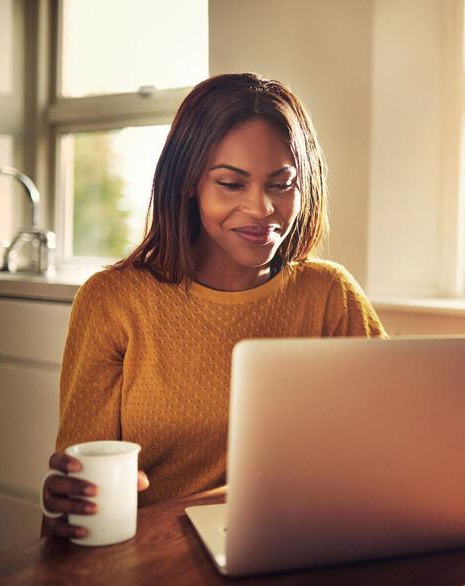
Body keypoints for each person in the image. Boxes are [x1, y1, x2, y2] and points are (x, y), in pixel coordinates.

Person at [41, 73, 386, 540]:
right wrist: (68, 504)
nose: (262, 208)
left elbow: (393, 444)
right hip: (153, 558)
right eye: (231, 183)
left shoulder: (330, 296)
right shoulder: (114, 301)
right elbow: (75, 495)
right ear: (188, 182)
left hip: (297, 544)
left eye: (282, 184)